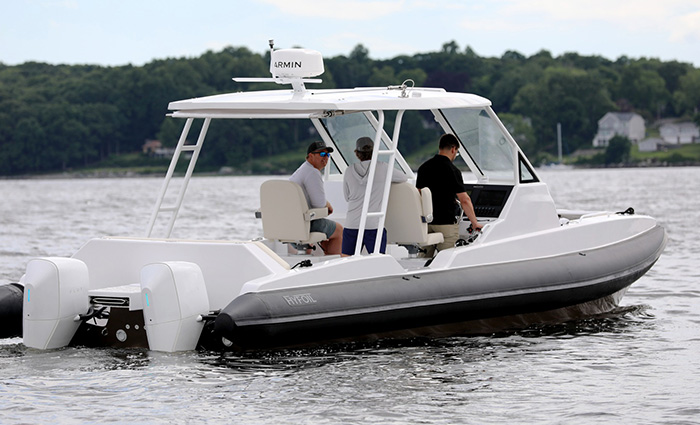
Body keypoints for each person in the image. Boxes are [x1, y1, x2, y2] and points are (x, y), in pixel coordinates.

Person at [416, 133, 483, 257]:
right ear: (453, 149)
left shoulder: (423, 168)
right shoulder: (453, 170)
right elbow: (464, 200)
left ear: (440, 147)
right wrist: (474, 222)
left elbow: (419, 195)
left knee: (422, 259)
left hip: (426, 224)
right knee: (445, 259)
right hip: (445, 223)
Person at [342, 137, 408, 256]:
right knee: (378, 261)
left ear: (357, 153)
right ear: (375, 151)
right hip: (373, 225)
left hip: (352, 223)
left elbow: (347, 198)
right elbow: (403, 178)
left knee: (346, 259)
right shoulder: (383, 167)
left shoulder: (349, 171)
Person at [289, 140, 343, 255]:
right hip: (304, 224)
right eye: (322, 154)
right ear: (310, 156)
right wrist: (327, 205)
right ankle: (332, 264)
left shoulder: (301, 170)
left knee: (326, 227)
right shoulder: (312, 172)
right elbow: (319, 204)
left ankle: (308, 257)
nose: (326, 158)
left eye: (328, 155)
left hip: (291, 223)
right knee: (338, 230)